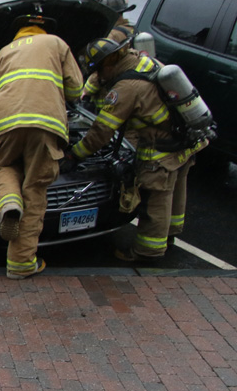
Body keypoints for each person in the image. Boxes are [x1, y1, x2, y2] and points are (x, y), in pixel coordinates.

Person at [65, 32, 208, 261]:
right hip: (187, 139)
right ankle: (169, 234)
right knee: (176, 187)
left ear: (108, 63)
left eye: (98, 70)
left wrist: (75, 154)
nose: (99, 76)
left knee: (156, 199)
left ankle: (148, 250)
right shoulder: (142, 60)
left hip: (161, 148)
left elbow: (102, 130)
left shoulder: (126, 87)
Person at [0, 15, 83, 279]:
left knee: (2, 164)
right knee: (35, 189)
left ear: (19, 33)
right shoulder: (57, 43)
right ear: (44, 31)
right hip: (45, 123)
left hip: (5, 121)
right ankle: (20, 263)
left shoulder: (3, 52)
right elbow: (76, 90)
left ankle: (8, 203)